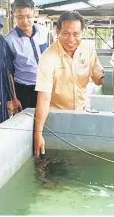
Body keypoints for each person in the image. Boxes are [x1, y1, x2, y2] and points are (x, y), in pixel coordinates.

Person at [34, 11, 105, 157]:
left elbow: (98, 80)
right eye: (65, 34)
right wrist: (38, 134)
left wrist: (100, 76)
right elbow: (43, 98)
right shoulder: (48, 57)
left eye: (76, 34)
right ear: (57, 31)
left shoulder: (88, 49)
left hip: (82, 113)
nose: (71, 39)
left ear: (82, 33)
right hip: (57, 116)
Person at [5, 0, 50, 113]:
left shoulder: (44, 32)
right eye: (20, 17)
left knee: (46, 118)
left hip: (45, 86)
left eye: (28, 16)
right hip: (24, 89)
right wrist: (14, 98)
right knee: (27, 121)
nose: (25, 21)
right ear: (13, 15)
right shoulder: (9, 40)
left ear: (34, 13)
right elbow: (9, 72)